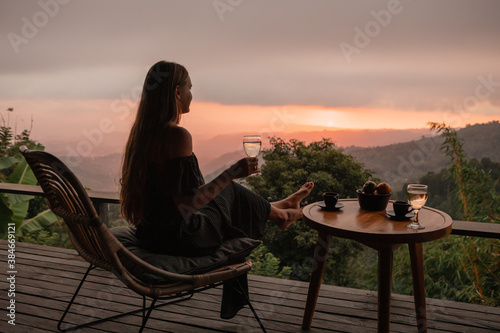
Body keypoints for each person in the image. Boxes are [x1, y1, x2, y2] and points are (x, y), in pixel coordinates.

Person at [120, 60, 314, 257]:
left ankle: (279, 209)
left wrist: (229, 176)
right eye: (189, 87)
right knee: (228, 187)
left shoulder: (142, 135)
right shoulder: (177, 136)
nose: (191, 95)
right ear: (177, 92)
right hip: (180, 237)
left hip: (150, 234)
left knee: (226, 189)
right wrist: (232, 173)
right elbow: (188, 204)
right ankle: (283, 215)